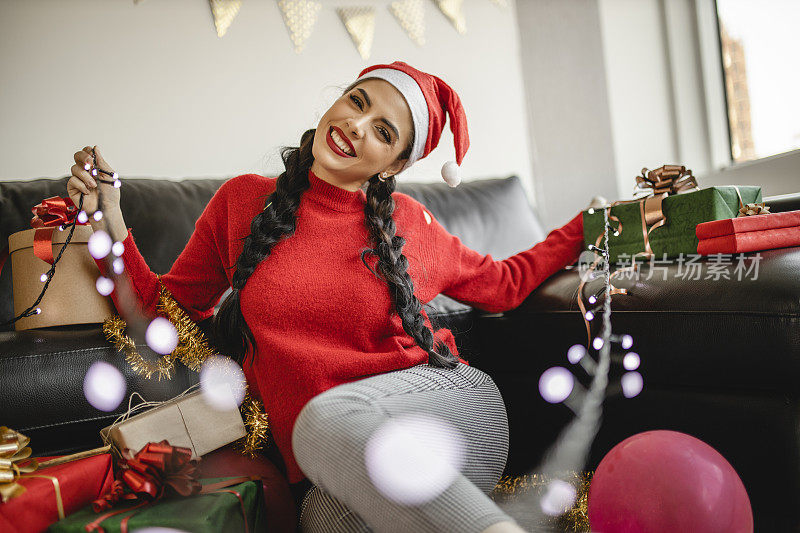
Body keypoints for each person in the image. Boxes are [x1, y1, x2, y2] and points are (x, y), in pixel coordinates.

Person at [68, 61, 587, 532]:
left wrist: (591, 225)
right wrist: (109, 220)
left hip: (451, 414)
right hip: (331, 467)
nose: (357, 126)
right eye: (358, 102)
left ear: (393, 166)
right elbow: (167, 313)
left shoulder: (408, 222)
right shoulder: (241, 202)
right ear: (338, 101)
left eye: (383, 132)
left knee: (323, 420)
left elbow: (506, 283)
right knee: (324, 522)